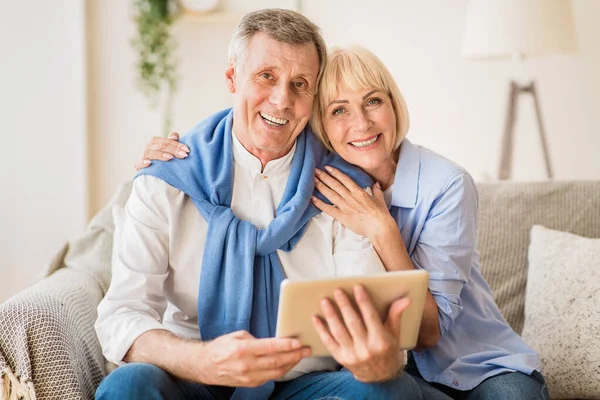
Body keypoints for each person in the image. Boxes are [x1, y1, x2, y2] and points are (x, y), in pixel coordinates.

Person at [141, 44, 550, 399]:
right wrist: (174, 157)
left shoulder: (446, 184)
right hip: (396, 371)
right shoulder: (319, 183)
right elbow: (251, 133)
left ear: (394, 104)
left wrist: (382, 229)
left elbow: (427, 333)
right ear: (319, 125)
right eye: (339, 110)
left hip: (474, 363)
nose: (361, 123)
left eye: (373, 101)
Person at [96, 9, 432, 400]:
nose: (281, 100)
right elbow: (122, 313)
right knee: (128, 386)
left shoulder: (343, 188)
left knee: (394, 391)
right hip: (195, 376)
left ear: (314, 98)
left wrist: (380, 362)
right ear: (231, 78)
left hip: (306, 384)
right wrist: (203, 360)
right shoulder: (167, 179)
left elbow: (376, 323)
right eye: (266, 76)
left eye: (300, 84)